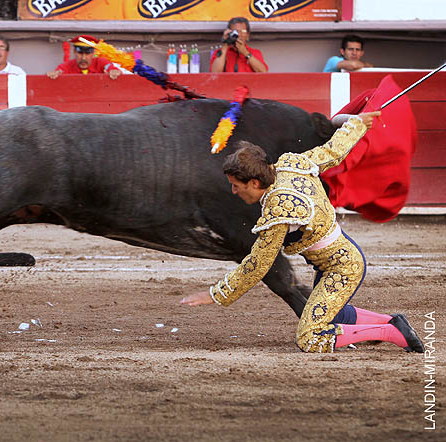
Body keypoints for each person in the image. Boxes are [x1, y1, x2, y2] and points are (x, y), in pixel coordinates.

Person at [181, 111, 425, 354]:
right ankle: (392, 322)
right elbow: (333, 151)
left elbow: (258, 263)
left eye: (236, 186)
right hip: (337, 260)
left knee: (311, 336)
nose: (234, 192)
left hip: (343, 267)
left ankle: (393, 333)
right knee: (333, 311)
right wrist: (357, 124)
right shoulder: (290, 166)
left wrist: (217, 294)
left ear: (254, 183)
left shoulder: (280, 208)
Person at [46, 35, 121, 79]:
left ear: (93, 53)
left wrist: (114, 72)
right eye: (80, 54)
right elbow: (58, 72)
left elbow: (112, 69)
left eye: (87, 54)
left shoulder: (101, 63)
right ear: (74, 52)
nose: (83, 58)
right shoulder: (66, 66)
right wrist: (54, 74)